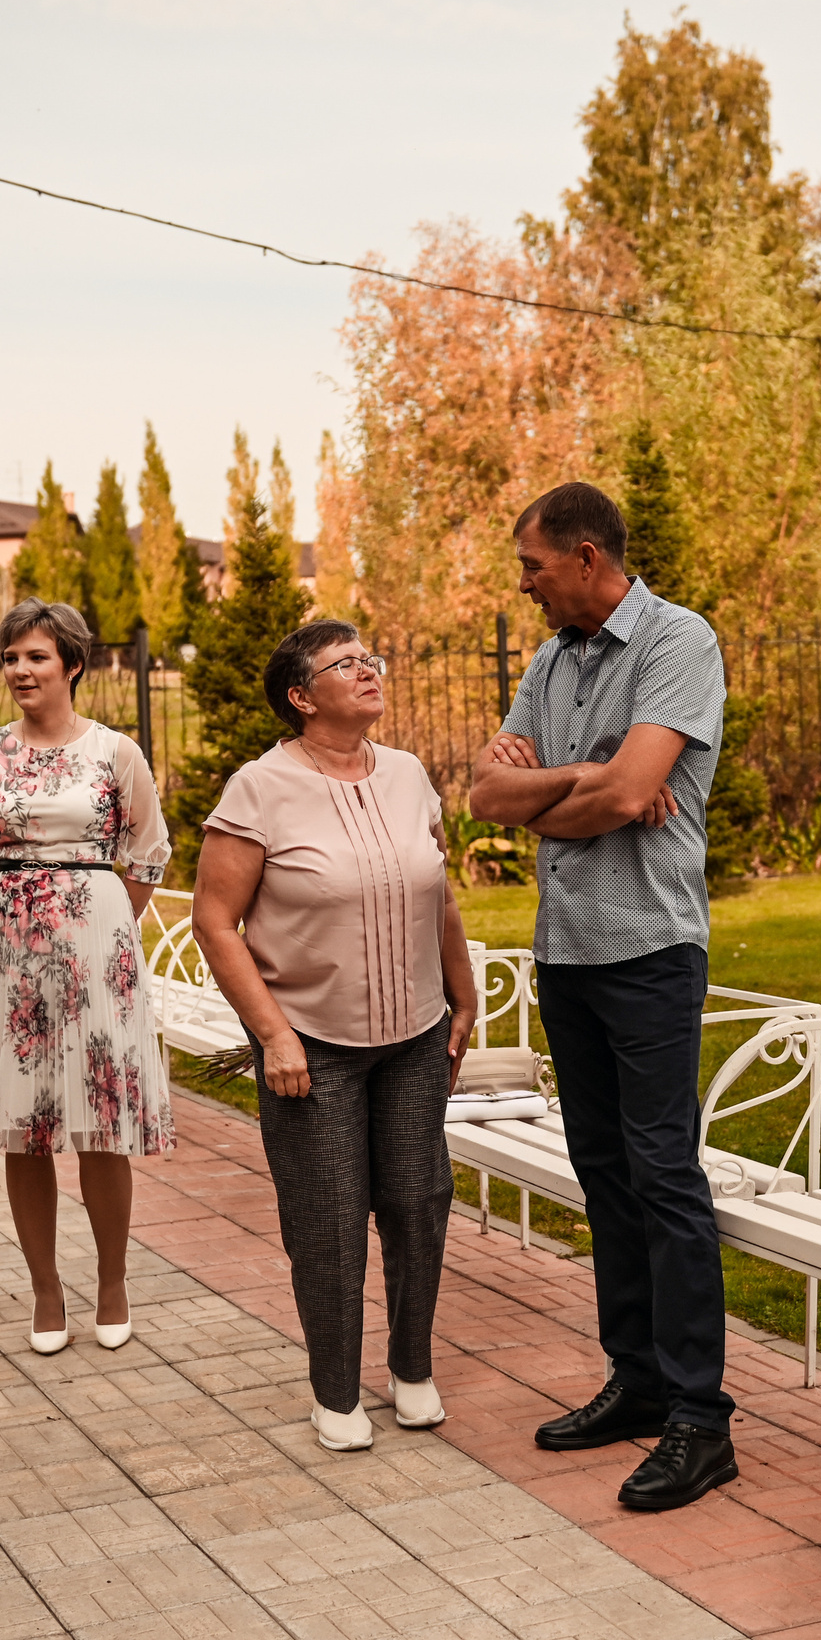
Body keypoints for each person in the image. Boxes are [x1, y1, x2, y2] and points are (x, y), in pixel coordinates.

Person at [468, 480, 734, 1513]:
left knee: (664, 1173)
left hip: (651, 949)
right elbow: (487, 798)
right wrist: (588, 785)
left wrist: (576, 791)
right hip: (565, 953)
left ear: (585, 556)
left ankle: (700, 1419)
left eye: (532, 565)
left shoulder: (678, 640)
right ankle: (637, 1378)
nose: (523, 584)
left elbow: (633, 796)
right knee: (603, 1170)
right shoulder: (548, 658)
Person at [190, 620, 480, 1452]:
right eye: (344, 664)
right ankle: (335, 1390)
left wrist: (462, 995)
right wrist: (272, 1034)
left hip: (418, 1033)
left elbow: (440, 894)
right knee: (329, 1219)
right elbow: (216, 920)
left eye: (370, 659)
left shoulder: (409, 773)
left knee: (420, 1201)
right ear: (300, 695)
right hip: (311, 1044)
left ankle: (413, 1370)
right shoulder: (259, 787)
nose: (368, 671)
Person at [0, 598, 170, 1356]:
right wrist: (18, 913)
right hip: (8, 952)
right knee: (25, 1125)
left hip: (95, 945)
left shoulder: (115, 752)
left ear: (72, 663)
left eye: (35, 656)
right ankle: (46, 1287)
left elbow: (147, 848)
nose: (19, 670)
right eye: (10, 657)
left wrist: (101, 918)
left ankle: (112, 1279)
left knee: (102, 1119)